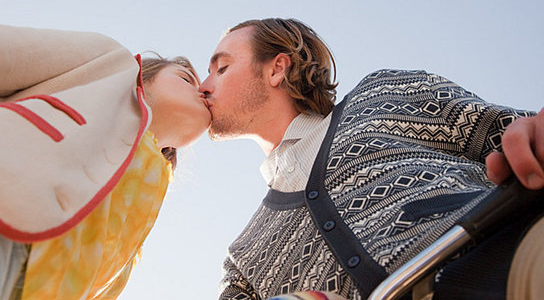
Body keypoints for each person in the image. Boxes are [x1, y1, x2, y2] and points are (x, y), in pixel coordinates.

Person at [198, 18, 544, 300]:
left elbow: (511, 131)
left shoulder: (381, 94)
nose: (203, 85)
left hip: (519, 259)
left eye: (222, 67)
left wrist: (530, 135)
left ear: (277, 69)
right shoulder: (243, 259)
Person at [0, 19, 210, 299]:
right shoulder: (109, 62)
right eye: (185, 78)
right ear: (146, 74)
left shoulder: (149, 194)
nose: (203, 90)